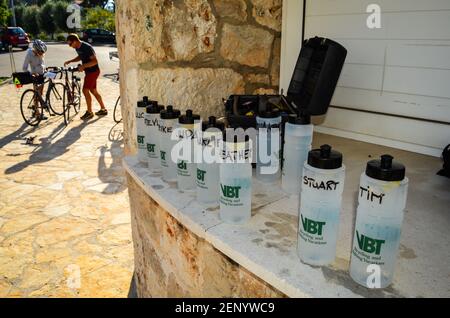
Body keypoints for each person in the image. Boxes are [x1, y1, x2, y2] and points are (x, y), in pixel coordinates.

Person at [64, 33, 107, 120]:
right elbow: (81, 56)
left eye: (70, 44)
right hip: (89, 72)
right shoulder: (77, 47)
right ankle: (103, 109)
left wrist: (83, 66)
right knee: (93, 91)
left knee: (85, 90)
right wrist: (71, 61)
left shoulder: (87, 47)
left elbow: (95, 61)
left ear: (75, 41)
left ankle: (89, 112)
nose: (70, 46)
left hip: (93, 72)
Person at [22, 39, 47, 120]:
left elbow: (42, 64)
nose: (42, 54)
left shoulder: (41, 52)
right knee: (36, 95)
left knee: (40, 94)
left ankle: (35, 108)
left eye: (43, 52)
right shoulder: (29, 54)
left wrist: (45, 70)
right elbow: (24, 68)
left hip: (42, 75)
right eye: (40, 52)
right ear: (35, 49)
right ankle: (37, 113)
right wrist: (32, 73)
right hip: (35, 76)